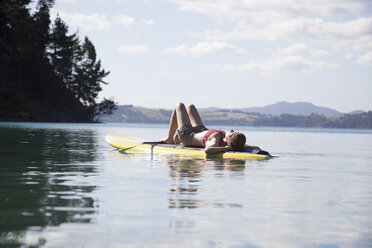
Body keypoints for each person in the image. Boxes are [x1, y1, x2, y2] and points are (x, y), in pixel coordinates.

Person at [163, 102, 270, 155]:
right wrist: (259, 151)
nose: (231, 131)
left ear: (229, 142)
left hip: (187, 135)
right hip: (201, 130)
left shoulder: (216, 140)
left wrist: (226, 149)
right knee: (190, 107)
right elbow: (255, 147)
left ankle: (169, 139)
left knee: (179, 105)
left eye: (231, 134)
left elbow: (208, 150)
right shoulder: (234, 142)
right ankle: (174, 136)